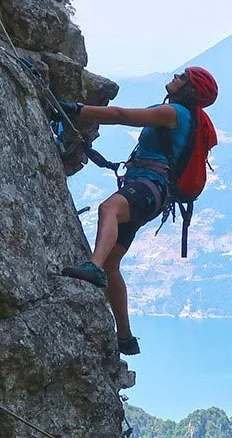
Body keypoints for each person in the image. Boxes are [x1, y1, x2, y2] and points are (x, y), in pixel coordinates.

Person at [58, 66, 218, 355]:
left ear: (189, 88)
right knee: (113, 264)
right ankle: (125, 337)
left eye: (182, 76)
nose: (175, 77)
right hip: (151, 193)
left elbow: (121, 115)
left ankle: (93, 265)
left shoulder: (174, 114)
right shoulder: (185, 117)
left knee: (109, 208)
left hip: (147, 186)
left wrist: (76, 110)